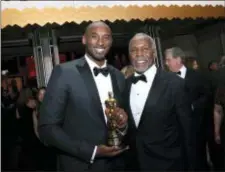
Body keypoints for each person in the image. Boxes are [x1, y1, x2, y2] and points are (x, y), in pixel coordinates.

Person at [38, 21, 128, 172]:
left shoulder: (118, 76)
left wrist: (123, 124)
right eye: (94, 36)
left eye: (106, 37)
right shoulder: (64, 72)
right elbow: (47, 129)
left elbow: (121, 119)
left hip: (117, 165)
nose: (100, 42)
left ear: (111, 42)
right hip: (79, 165)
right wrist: (92, 151)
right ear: (84, 40)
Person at [124, 33, 194, 171]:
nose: (139, 54)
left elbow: (188, 133)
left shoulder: (175, 84)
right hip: (135, 165)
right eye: (134, 50)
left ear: (154, 53)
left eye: (145, 49)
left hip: (169, 165)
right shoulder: (124, 85)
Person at [165, 47, 210, 170]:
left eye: (168, 60)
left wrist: (193, 105)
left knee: (198, 159)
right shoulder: (165, 80)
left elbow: (206, 96)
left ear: (178, 60)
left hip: (196, 127)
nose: (166, 63)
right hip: (176, 131)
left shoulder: (196, 76)